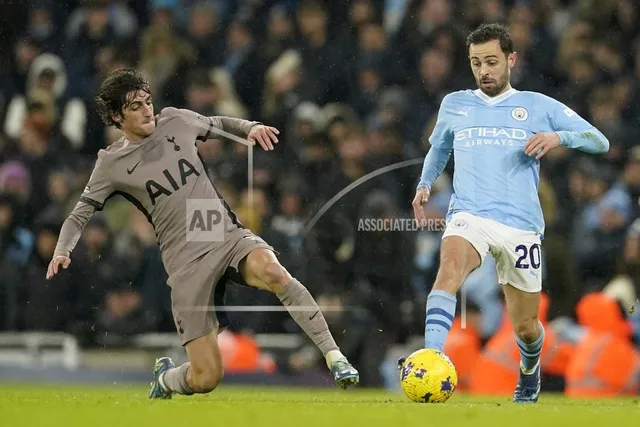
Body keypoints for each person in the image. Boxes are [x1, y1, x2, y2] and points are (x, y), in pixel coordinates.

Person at [46, 68, 359, 398]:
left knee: (273, 271)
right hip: (183, 261)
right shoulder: (111, 164)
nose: (147, 110)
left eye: (148, 102)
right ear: (116, 117)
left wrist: (250, 127)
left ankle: (334, 356)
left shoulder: (175, 121)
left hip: (213, 227)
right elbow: (79, 215)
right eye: (135, 107)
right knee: (207, 377)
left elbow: (219, 124)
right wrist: (62, 249)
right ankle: (167, 379)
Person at [405, 23, 609, 403]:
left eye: (492, 62)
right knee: (448, 271)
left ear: (511, 59)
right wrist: (424, 183)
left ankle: (529, 372)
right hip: (469, 214)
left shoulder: (537, 105)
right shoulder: (455, 103)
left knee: (527, 327)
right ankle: (432, 355)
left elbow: (600, 141)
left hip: (521, 226)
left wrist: (557, 137)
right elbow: (438, 149)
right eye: (476, 63)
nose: (484, 70)